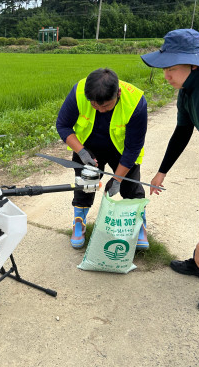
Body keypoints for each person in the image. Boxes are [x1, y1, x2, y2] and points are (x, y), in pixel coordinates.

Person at [56, 67, 149, 249]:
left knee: (130, 186)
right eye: (94, 105)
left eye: (106, 105)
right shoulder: (79, 92)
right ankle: (79, 222)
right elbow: (63, 125)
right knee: (85, 184)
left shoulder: (136, 102)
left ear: (118, 93)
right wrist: (81, 152)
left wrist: (117, 179)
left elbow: (133, 148)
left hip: (121, 149)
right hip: (88, 147)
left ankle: (139, 224)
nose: (100, 110)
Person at [141, 28, 199, 285]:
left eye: (172, 68)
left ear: (193, 64)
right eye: (163, 68)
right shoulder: (187, 89)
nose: (166, 75)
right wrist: (162, 171)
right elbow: (182, 131)